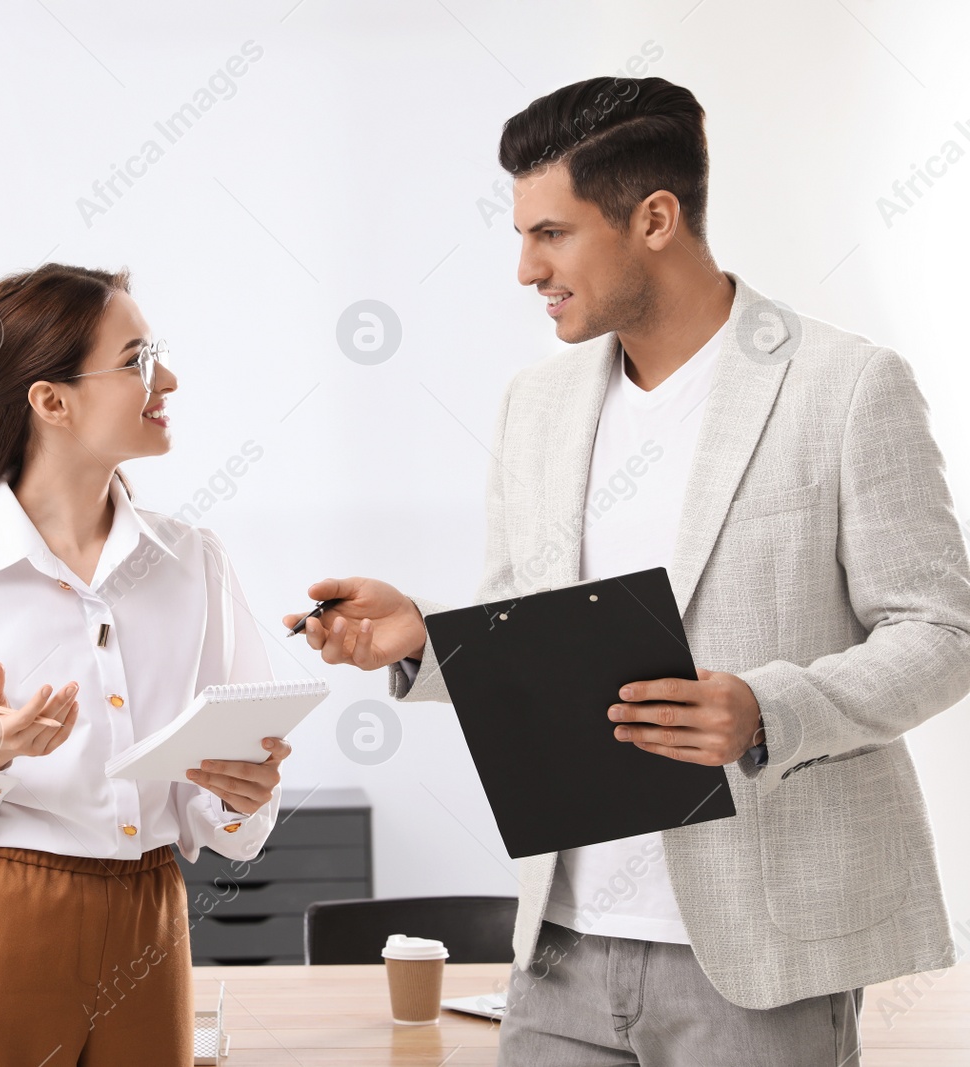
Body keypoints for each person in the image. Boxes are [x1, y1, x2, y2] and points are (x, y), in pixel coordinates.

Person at [286, 77, 970, 1065]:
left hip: (756, 955)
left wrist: (767, 709)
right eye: (522, 234)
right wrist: (424, 636)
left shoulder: (845, 387)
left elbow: (942, 632)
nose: (525, 267)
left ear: (654, 218)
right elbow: (535, 641)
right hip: (560, 952)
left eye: (550, 233)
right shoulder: (538, 403)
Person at [0, 262, 291, 1066]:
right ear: (51, 400)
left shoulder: (193, 564)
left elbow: (226, 801)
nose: (167, 377)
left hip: (150, 919)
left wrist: (245, 798)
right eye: (138, 359)